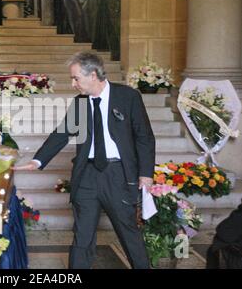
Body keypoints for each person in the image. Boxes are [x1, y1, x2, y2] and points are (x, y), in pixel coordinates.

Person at [13, 52, 155, 269]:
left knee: (129, 233)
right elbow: (61, 134)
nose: (72, 84)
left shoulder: (127, 97)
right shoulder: (80, 103)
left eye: (76, 78)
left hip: (117, 174)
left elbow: (144, 137)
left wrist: (145, 174)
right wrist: (38, 161)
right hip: (87, 175)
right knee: (82, 236)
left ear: (94, 75)